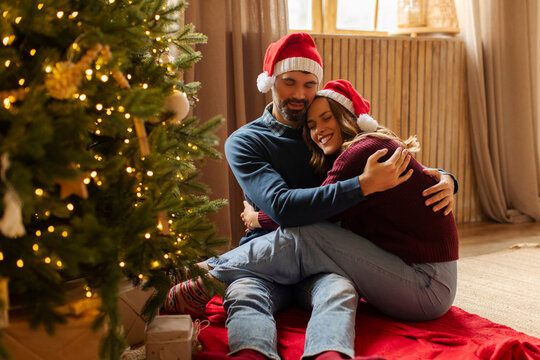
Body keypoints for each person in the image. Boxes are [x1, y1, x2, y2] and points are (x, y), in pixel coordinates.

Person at [166, 33, 457, 360]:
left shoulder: (326, 140)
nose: (300, 95)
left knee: (339, 292)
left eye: (309, 85)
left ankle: (328, 354)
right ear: (270, 82)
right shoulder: (246, 141)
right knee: (245, 295)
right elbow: (285, 207)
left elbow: (390, 165)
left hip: (326, 257)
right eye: (289, 82)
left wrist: (445, 178)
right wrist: (362, 185)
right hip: (266, 252)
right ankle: (251, 353)